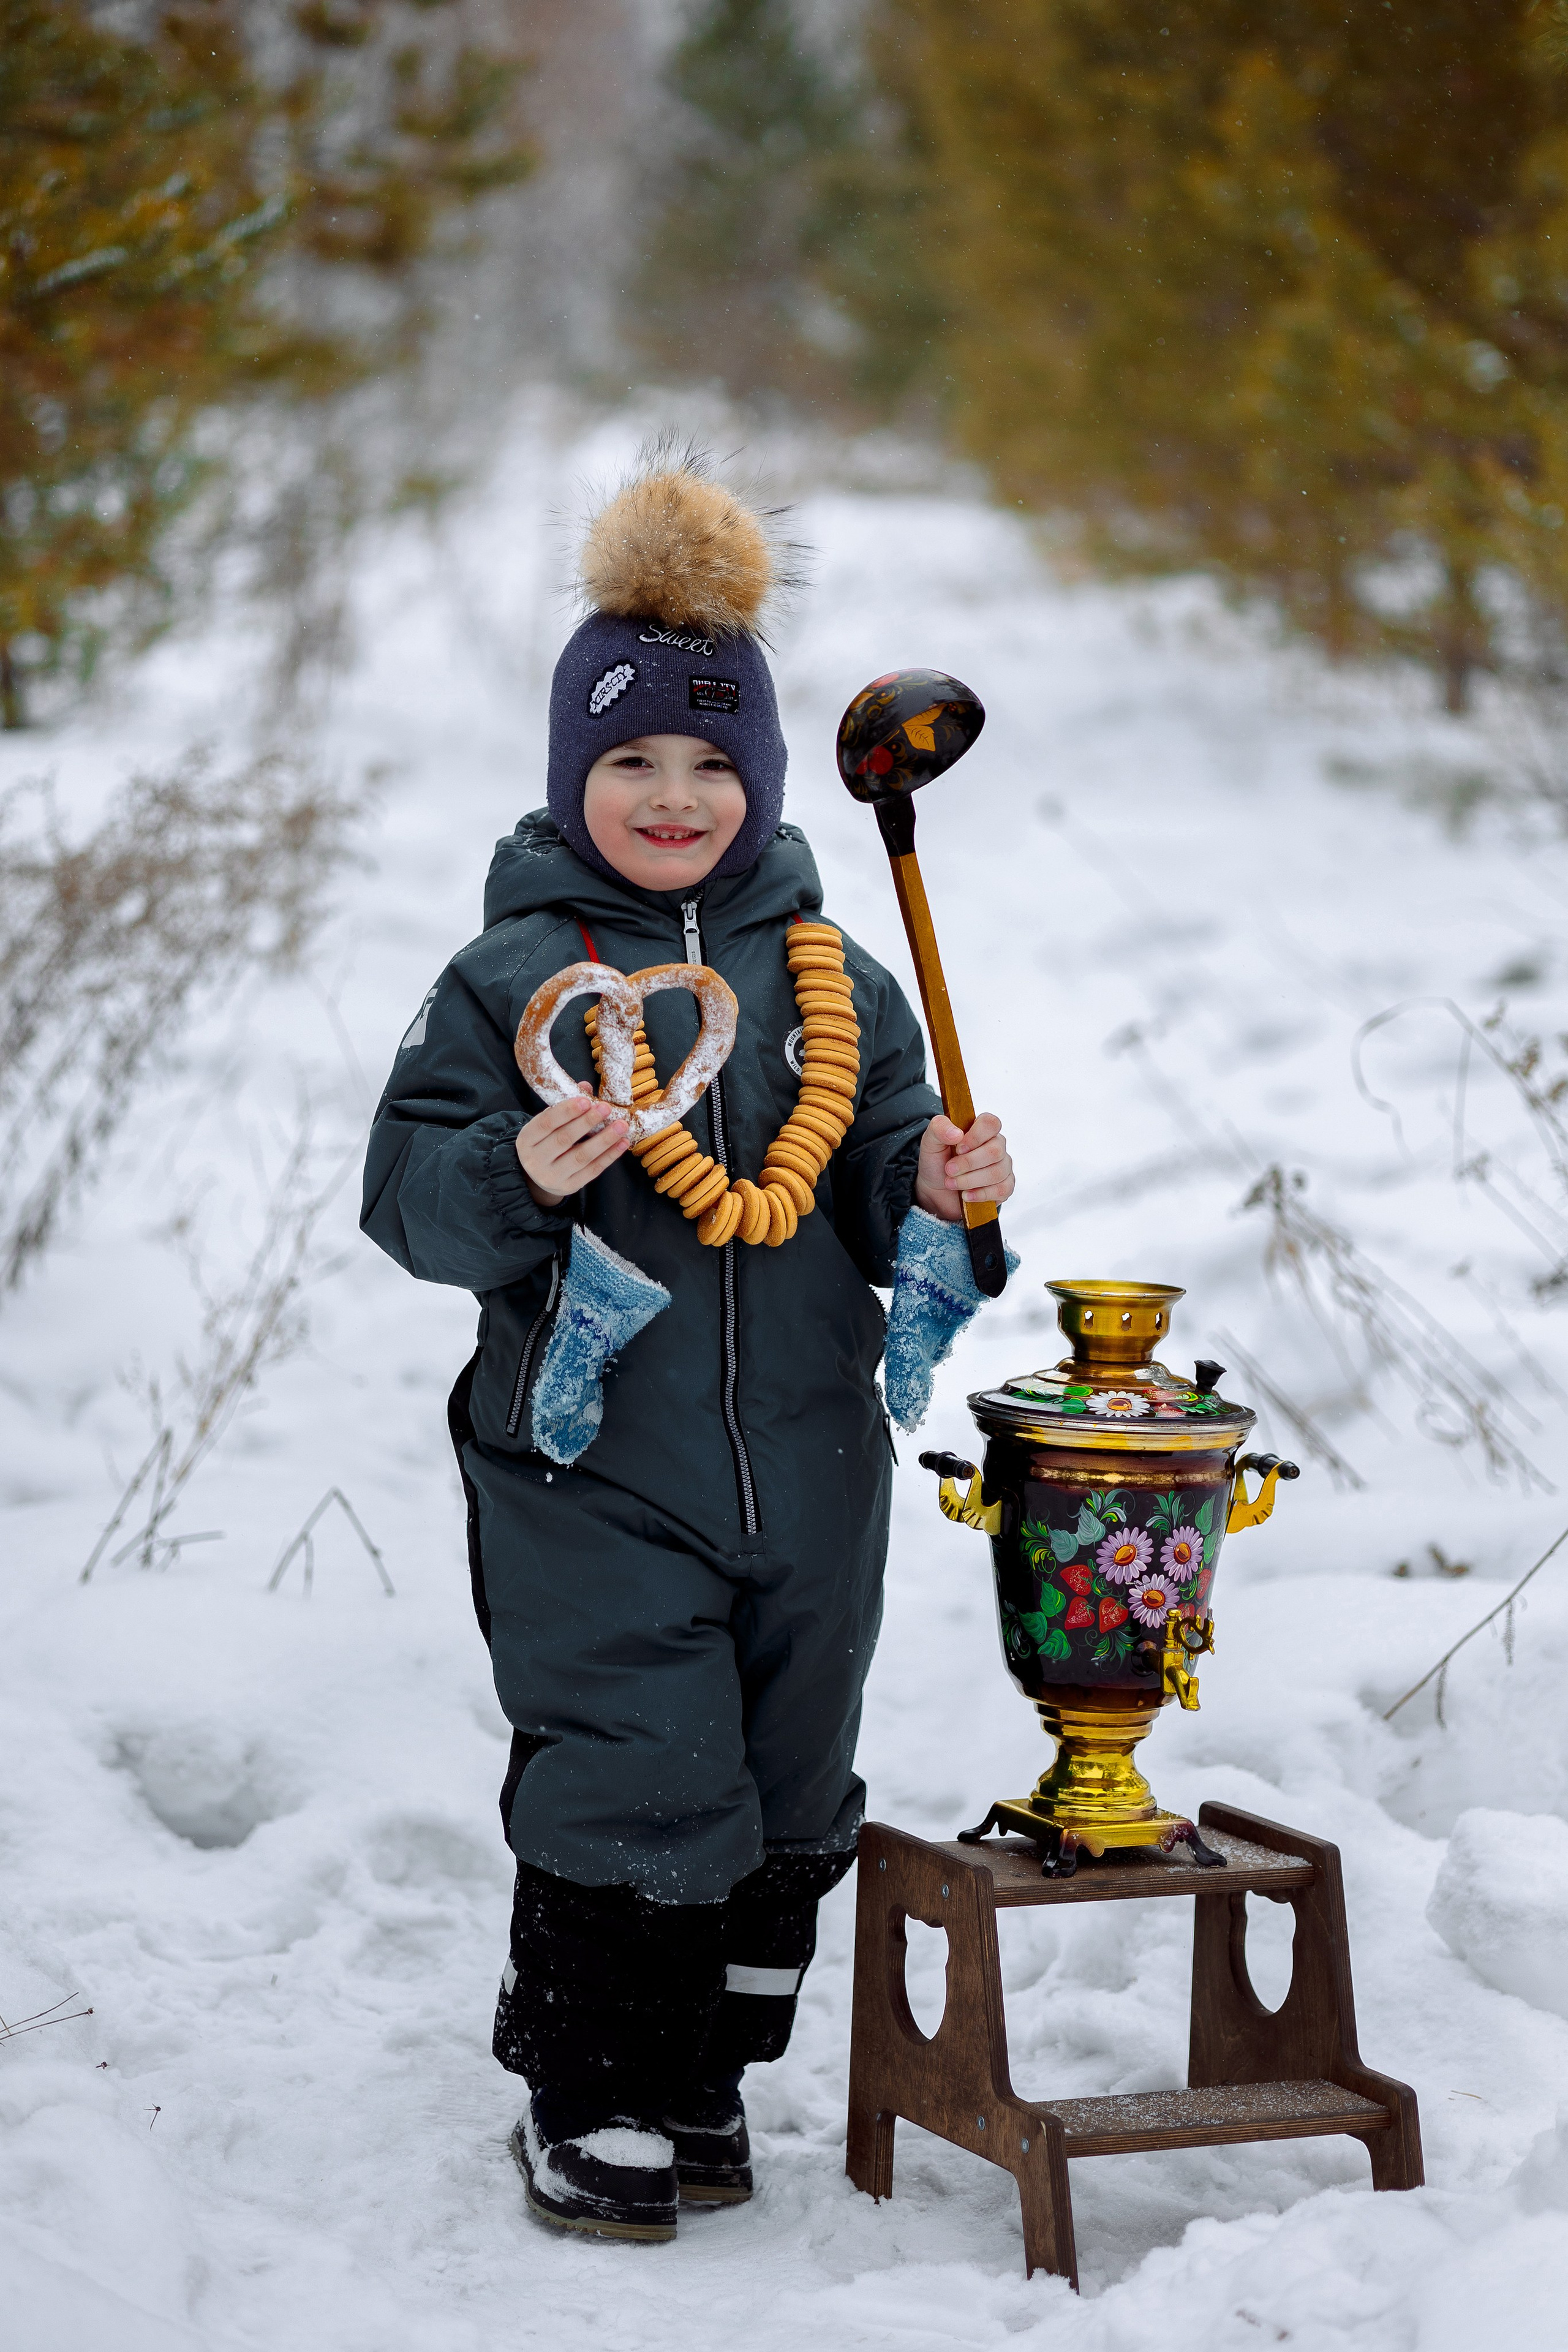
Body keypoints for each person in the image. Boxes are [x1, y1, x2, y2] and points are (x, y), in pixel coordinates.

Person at [361, 446, 1016, 2243]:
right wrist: (514, 1168)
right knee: (636, 1760)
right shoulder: (514, 986)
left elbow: (886, 1181)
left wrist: (941, 1187)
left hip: (810, 1460)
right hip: (589, 1464)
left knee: (789, 1775)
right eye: (630, 762)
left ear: (767, 777)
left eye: (710, 762)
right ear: (576, 775)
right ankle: (595, 2087)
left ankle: (703, 2075)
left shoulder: (835, 980)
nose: (671, 795)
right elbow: (404, 1195)